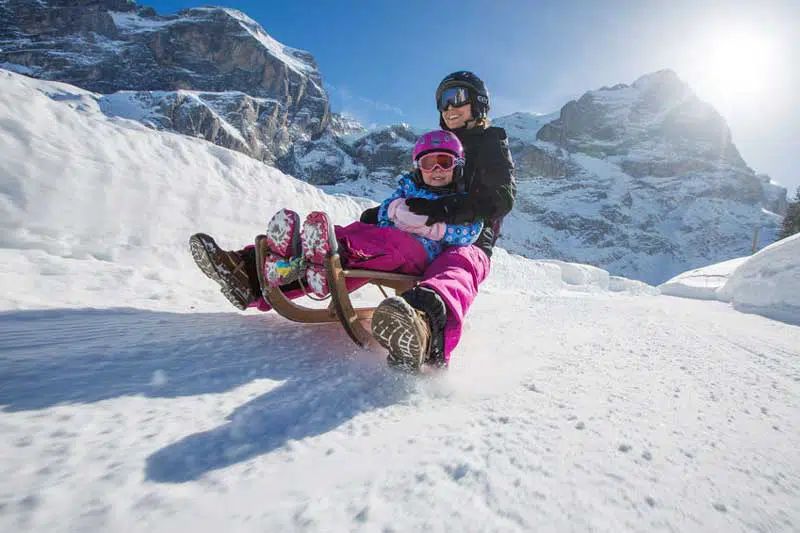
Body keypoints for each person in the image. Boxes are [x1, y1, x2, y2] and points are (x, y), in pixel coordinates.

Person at [189, 130, 482, 369]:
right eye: (429, 163)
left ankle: (326, 257)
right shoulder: (406, 188)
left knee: (383, 245)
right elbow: (381, 215)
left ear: (457, 164)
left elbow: (471, 232)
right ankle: (252, 269)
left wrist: (434, 228)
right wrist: (393, 211)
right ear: (418, 167)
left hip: (420, 253)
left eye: (444, 161)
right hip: (385, 239)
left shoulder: (463, 198)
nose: (437, 170)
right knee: (353, 231)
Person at [366, 71, 515, 369]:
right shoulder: (436, 147)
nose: (448, 108)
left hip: (471, 238)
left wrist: (448, 209)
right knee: (374, 240)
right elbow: (409, 191)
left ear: (478, 103)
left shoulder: (490, 144)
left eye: (456, 98)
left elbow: (502, 198)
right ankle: (278, 269)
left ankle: (424, 323)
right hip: (422, 235)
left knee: (457, 266)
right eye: (442, 102)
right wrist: (377, 215)